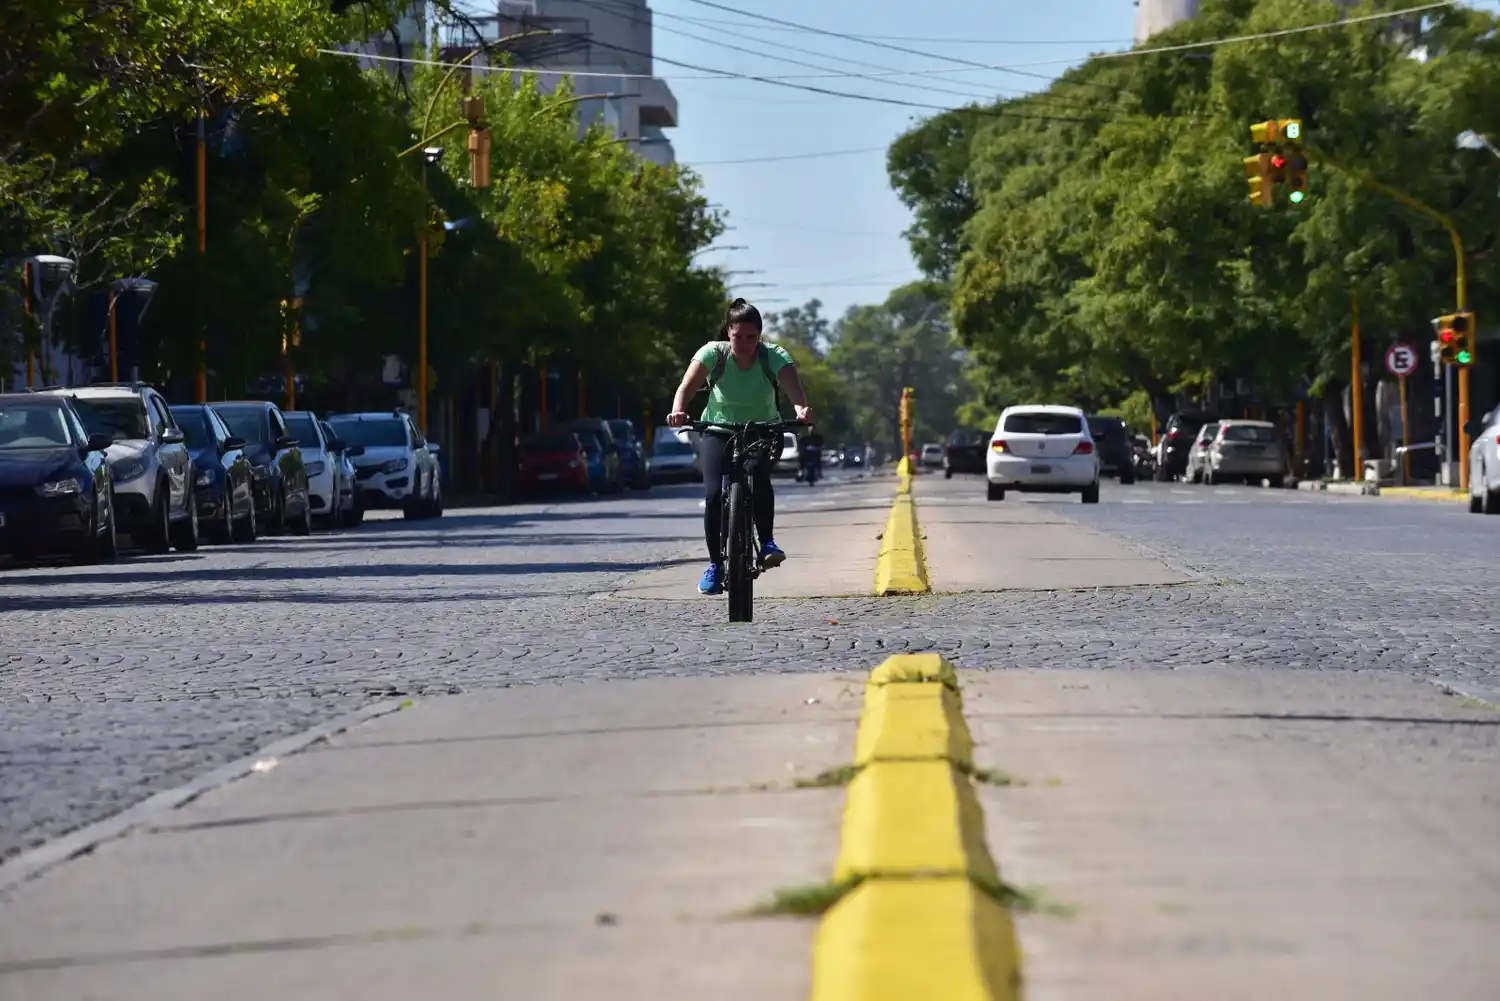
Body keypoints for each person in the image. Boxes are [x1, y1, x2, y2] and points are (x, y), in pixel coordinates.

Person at [667, 298, 814, 595]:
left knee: (757, 473)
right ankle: (715, 564)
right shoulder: (713, 353)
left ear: (759, 336)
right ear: (728, 333)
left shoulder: (773, 356)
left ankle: (767, 542)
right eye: (738, 336)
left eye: (751, 337)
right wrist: (678, 411)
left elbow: (795, 391)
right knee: (713, 496)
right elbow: (686, 387)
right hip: (717, 430)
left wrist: (802, 410)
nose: (744, 344)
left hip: (763, 430)